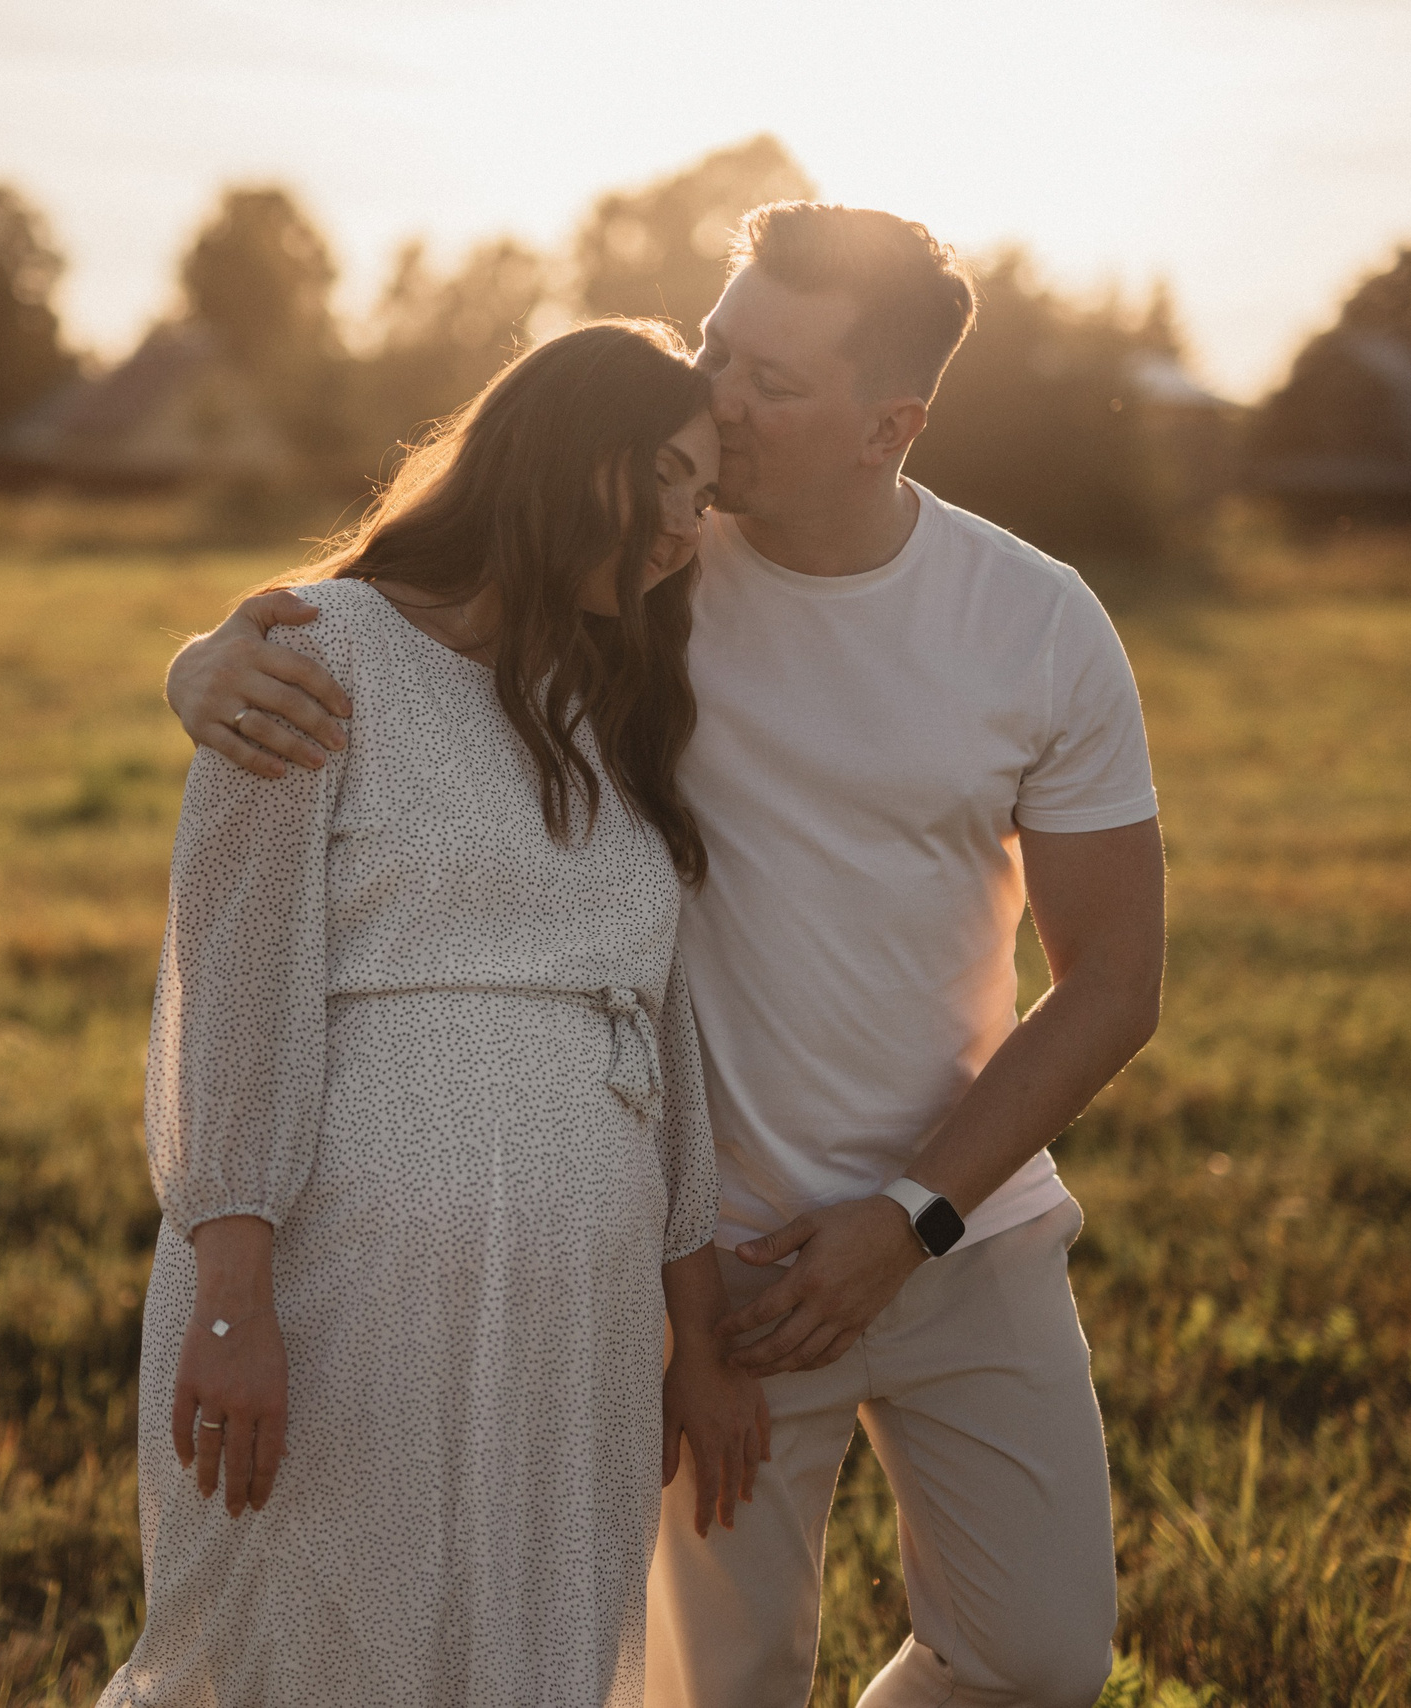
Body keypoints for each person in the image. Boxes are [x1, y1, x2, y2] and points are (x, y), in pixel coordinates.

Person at [166, 203, 1166, 1708]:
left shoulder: (1034, 621)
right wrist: (202, 666)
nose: (719, 395)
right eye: (714, 346)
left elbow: (1114, 982)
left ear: (890, 422)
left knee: (1038, 1662)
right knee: (719, 1687)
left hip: (965, 1223)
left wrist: (911, 1219)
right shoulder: (645, 570)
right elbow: (408, 627)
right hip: (723, 1264)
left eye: (770, 378)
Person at [101, 319, 771, 1708]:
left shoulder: (601, 698)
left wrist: (693, 1337)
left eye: (705, 496)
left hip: (572, 1316)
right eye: (671, 479)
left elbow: (664, 1039)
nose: (685, 529)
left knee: (522, 1661)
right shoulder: (313, 647)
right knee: (311, 1641)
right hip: (350, 1288)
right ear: (572, 451)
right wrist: (232, 1297)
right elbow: (235, 986)